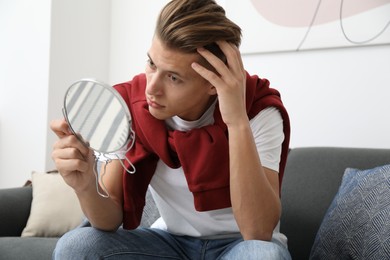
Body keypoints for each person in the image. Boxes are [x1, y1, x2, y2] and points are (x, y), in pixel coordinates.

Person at [50, 0, 291, 259]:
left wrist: (236, 121)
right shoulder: (132, 107)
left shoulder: (258, 110)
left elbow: (257, 231)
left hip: (240, 245)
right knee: (77, 246)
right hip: (171, 243)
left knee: (262, 256)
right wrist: (85, 184)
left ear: (212, 82)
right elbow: (109, 220)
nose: (151, 88)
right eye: (152, 65)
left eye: (173, 77)